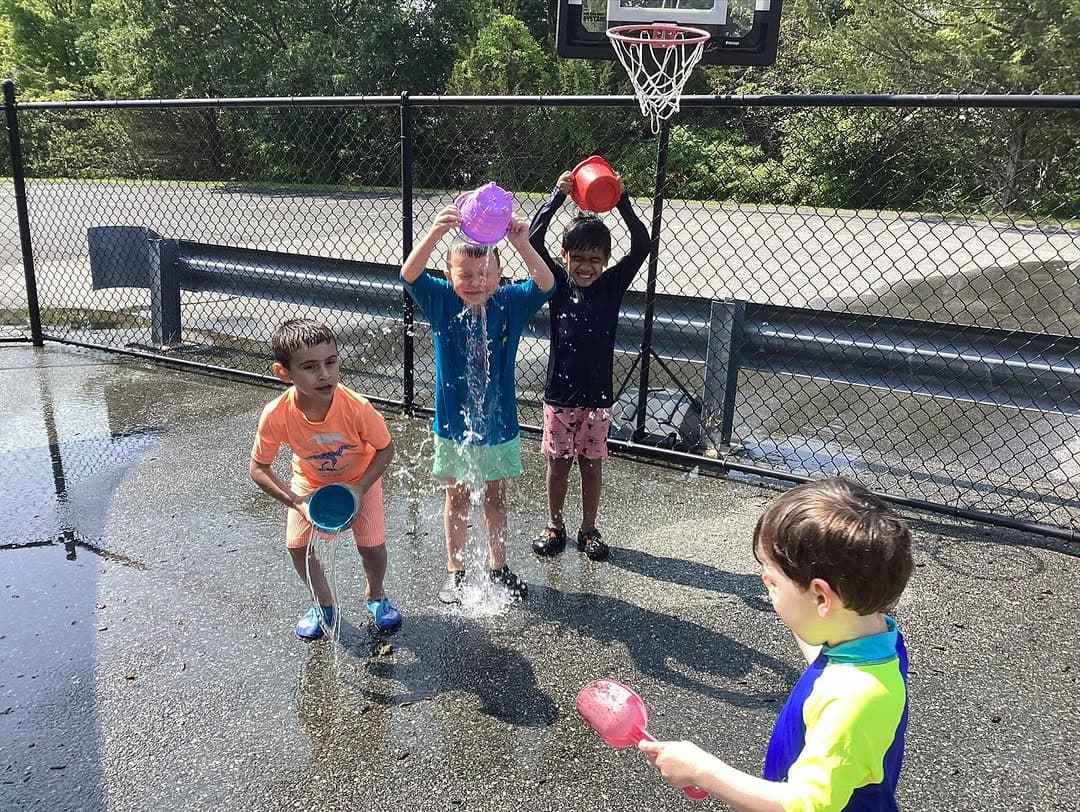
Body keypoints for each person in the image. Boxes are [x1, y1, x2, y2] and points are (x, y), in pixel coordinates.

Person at [640, 478, 914, 811]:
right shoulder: (878, 640)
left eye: (771, 580)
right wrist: (798, 616)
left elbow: (804, 804)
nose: (764, 585)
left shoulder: (855, 699)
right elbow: (826, 656)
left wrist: (702, 770)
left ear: (820, 597)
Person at [401, 204, 555, 604]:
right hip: (453, 425)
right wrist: (435, 233)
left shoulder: (509, 304)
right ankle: (455, 572)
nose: (474, 282)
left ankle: (498, 566)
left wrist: (521, 242)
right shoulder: (440, 302)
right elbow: (409, 275)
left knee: (495, 496)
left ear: (499, 276)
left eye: (484, 273)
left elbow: (546, 283)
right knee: (455, 497)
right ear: (448, 275)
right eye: (464, 275)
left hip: (499, 425)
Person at [249, 319, 401, 638]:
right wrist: (297, 502)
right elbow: (259, 468)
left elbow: (385, 449)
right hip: (310, 484)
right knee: (297, 547)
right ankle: (323, 604)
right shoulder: (277, 414)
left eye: (331, 362)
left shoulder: (357, 408)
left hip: (361, 480)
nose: (325, 374)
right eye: (310, 367)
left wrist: (360, 489)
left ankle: (376, 594)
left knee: (372, 548)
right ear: (283, 373)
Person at [528, 170, 650, 561]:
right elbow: (532, 240)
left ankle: (589, 529)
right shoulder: (557, 285)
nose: (585, 267)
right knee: (558, 465)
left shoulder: (612, 285)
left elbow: (643, 245)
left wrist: (622, 201)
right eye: (577, 258)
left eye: (594, 260)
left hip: (598, 398)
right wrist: (557, 196)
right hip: (560, 397)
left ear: (605, 261)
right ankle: (555, 524)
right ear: (564, 258)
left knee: (592, 466)